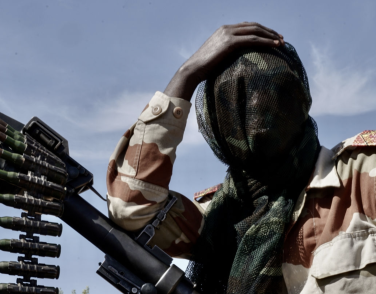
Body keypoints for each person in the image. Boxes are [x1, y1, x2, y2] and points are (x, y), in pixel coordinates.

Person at [106, 22, 376, 294]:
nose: (257, 105)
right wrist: (186, 75)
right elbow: (131, 207)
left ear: (298, 98)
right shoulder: (218, 218)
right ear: (216, 122)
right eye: (238, 102)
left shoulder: (362, 175)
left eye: (271, 92)